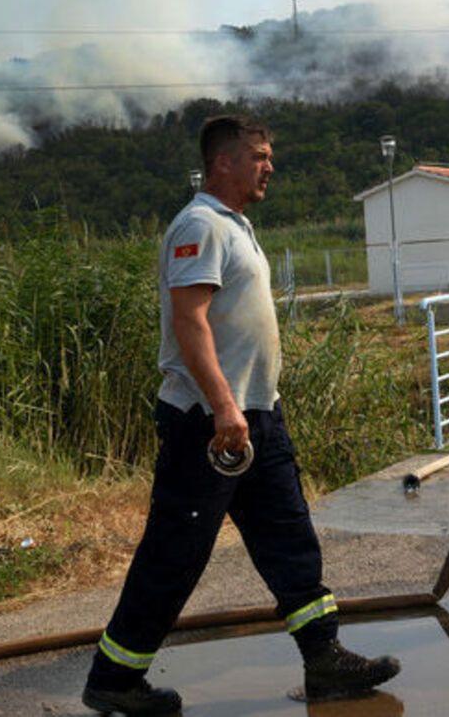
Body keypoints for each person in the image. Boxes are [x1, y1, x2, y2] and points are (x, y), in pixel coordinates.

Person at [83, 116, 400, 715]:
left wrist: (249, 407)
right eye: (258, 155)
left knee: (290, 538)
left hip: (256, 419)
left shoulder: (235, 226)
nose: (269, 165)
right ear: (222, 163)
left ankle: (324, 658)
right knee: (175, 554)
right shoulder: (199, 226)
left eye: (268, 155)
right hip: (209, 424)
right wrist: (224, 405)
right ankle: (114, 678)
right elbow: (189, 323)